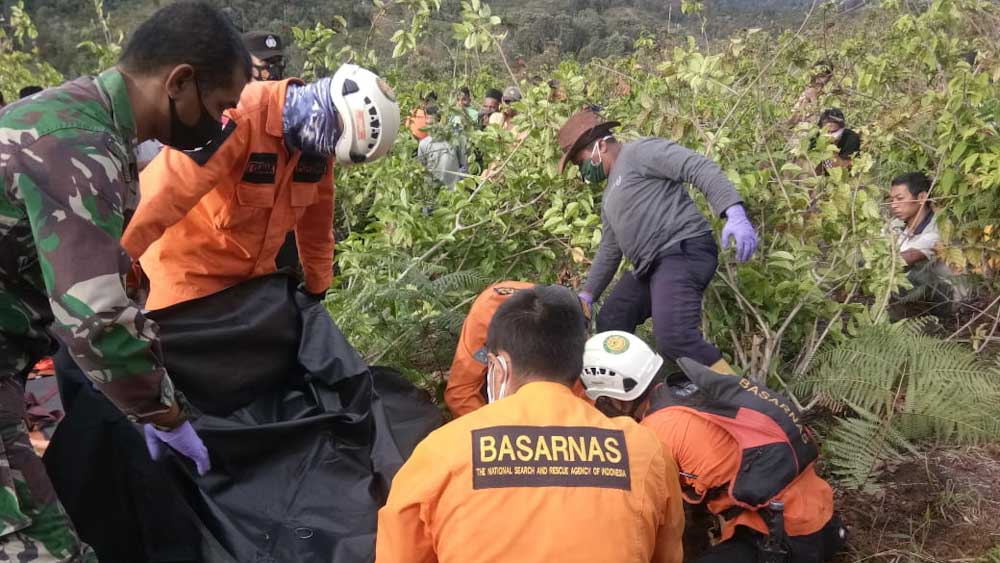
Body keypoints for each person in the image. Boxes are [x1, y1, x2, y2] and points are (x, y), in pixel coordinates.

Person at [0, 2, 251, 558]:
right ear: (179, 83)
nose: (223, 124)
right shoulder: (78, 146)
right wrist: (165, 414)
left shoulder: (78, 116)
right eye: (219, 107)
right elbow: (95, 319)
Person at [376, 285, 685, 563]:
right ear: (579, 362)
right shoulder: (646, 451)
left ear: (497, 366)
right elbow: (666, 555)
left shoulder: (439, 453)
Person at [122, 64, 400, 311]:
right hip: (187, 280)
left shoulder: (317, 146)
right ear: (330, 113)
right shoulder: (239, 117)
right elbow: (163, 194)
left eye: (331, 149)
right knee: (176, 363)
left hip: (252, 286)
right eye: (331, 139)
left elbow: (317, 225)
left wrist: (318, 287)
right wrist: (109, 271)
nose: (325, 155)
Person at [581, 332, 847, 563]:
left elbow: (656, 518)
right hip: (820, 515)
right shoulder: (691, 388)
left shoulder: (656, 435)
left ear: (616, 402)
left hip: (780, 536)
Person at [557, 109, 758, 375]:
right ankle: (633, 396)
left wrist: (733, 211)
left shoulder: (639, 153)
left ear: (600, 145)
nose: (583, 170)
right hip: (649, 266)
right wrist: (587, 294)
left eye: (581, 162)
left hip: (681, 250)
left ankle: (740, 398)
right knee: (612, 320)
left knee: (675, 336)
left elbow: (695, 165)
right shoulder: (609, 197)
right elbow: (610, 247)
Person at [888, 172, 958, 302]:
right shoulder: (895, 224)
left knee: (907, 279)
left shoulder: (941, 226)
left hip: (946, 297)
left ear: (921, 197)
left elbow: (909, 258)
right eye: (891, 200)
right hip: (919, 294)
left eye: (900, 198)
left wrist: (874, 263)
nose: (893, 205)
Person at [417, 105, 467, 190]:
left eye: (432, 124)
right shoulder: (423, 144)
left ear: (441, 122)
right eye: (428, 124)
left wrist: (461, 183)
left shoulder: (455, 140)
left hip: (454, 190)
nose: (430, 128)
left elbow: (464, 165)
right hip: (433, 190)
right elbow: (421, 168)